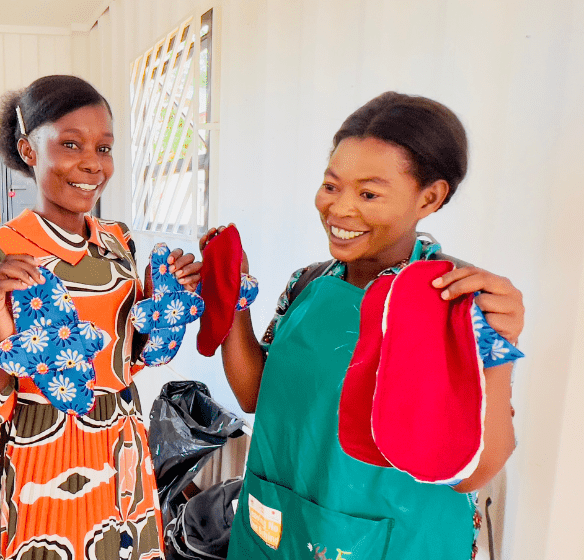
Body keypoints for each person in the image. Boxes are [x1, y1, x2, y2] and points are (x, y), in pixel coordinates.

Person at [211, 92, 523, 559]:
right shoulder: (308, 283)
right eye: (332, 186)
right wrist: (231, 293)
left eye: (368, 193)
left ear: (430, 197)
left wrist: (501, 348)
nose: (338, 209)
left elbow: (474, 472)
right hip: (278, 527)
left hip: (397, 538)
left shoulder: (457, 301)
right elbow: (255, 394)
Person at [0, 75, 202, 560]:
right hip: (41, 453)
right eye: (71, 144)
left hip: (123, 445)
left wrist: (163, 304)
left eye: (104, 148)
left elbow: (128, 362)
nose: (92, 163)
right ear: (29, 150)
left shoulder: (118, 242)